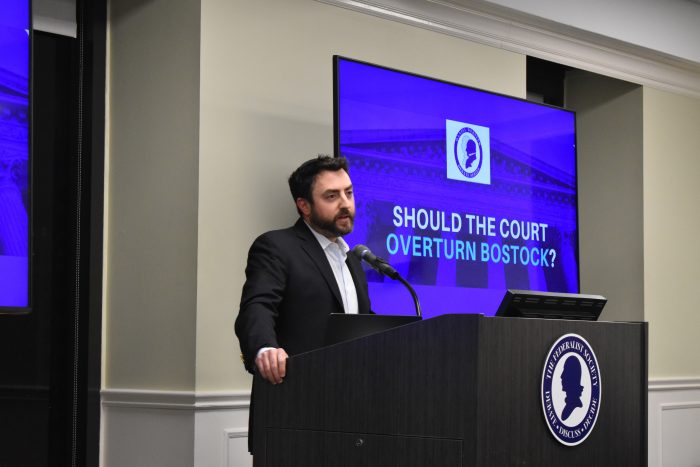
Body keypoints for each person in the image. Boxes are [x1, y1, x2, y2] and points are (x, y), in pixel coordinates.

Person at [235, 155, 372, 387]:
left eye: (348, 193)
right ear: (304, 206)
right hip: (296, 393)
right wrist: (265, 348)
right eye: (332, 196)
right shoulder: (277, 246)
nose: (345, 204)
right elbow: (257, 306)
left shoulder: (352, 258)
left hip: (352, 393)